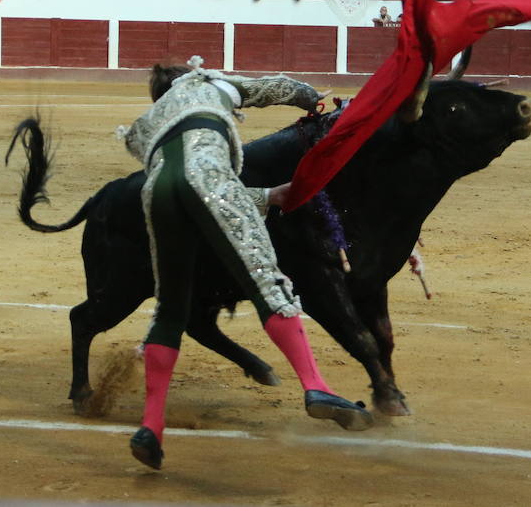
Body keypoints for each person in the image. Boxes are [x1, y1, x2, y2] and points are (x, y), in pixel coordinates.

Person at [119, 58, 372, 470]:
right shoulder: (207, 84)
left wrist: (266, 195)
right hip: (212, 181)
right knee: (265, 284)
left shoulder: (148, 122)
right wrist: (310, 97)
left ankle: (151, 425)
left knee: (169, 308)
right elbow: (268, 88)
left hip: (156, 194)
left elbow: (184, 179)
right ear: (189, 76)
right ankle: (316, 385)